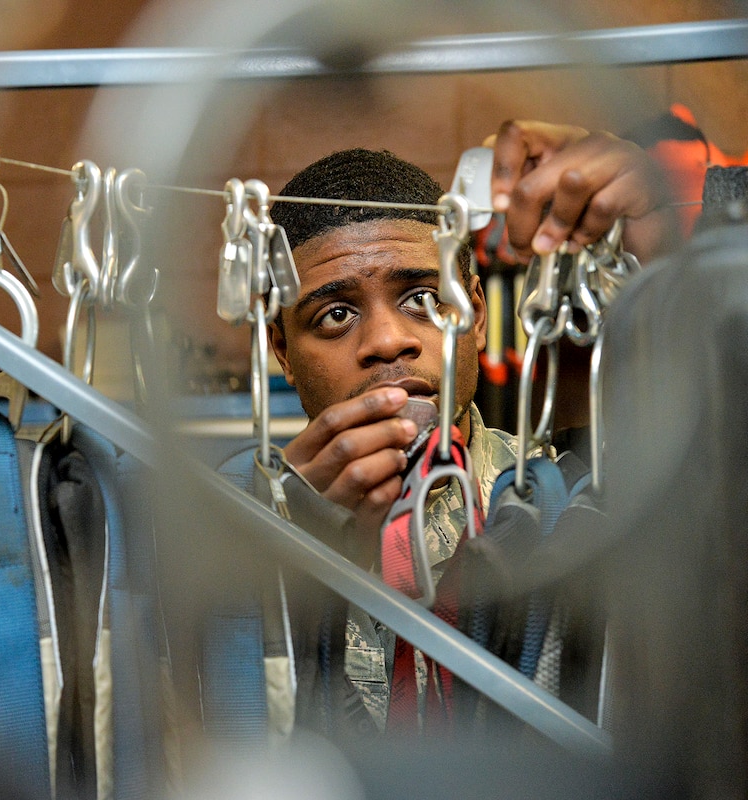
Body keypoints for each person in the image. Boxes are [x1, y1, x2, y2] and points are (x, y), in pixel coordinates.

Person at [264, 122, 673, 730]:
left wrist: (678, 244)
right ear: (281, 351)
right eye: (336, 314)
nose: (387, 341)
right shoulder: (231, 541)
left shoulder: (578, 504)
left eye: (423, 301)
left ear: (476, 315)